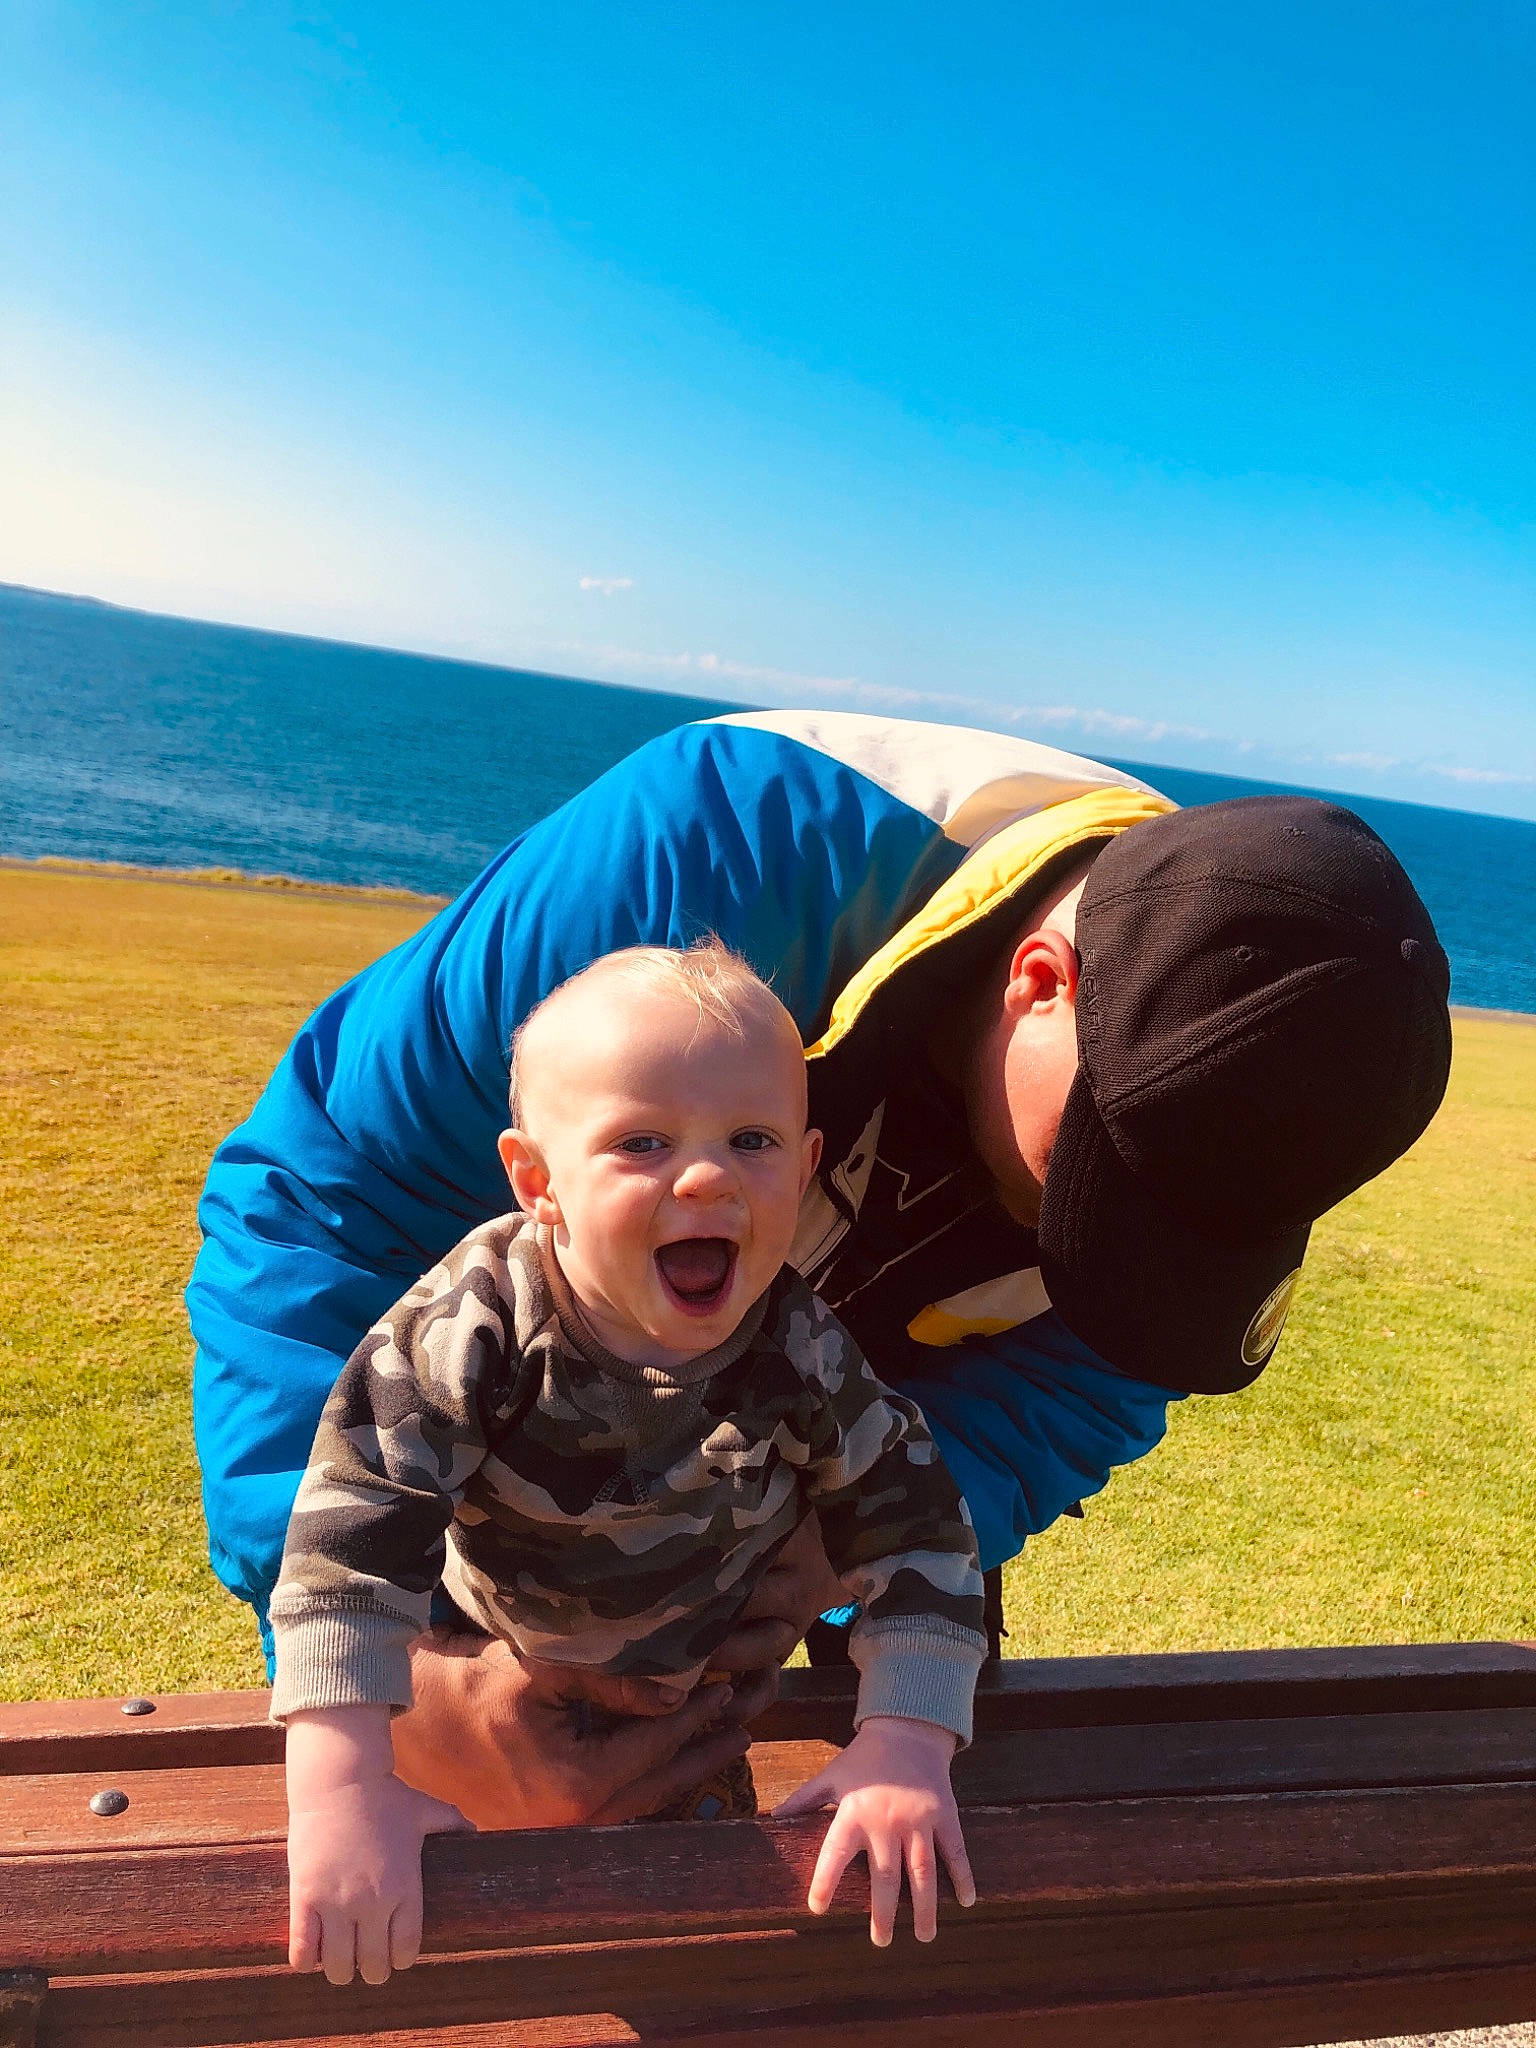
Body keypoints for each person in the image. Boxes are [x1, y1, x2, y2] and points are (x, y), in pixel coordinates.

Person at [189, 708, 1452, 1831]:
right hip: (496, 1470)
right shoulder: (702, 859)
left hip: (822, 1456)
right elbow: (318, 1199)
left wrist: (824, 1550)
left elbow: (1103, 1368)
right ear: (1040, 981)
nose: (1108, 1245)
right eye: (1096, 1180)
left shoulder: (1248, 1043)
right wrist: (395, 1682)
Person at [273, 943, 984, 1981]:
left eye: (752, 1138)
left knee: (695, 1955)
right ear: (538, 1179)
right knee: (468, 1944)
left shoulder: (800, 1346)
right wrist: (340, 1788)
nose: (706, 1175)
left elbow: (919, 1525)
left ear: (807, 1157)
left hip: (688, 1707)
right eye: (642, 1141)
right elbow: (350, 1536)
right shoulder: (477, 1324)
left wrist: (909, 1742)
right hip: (487, 1675)